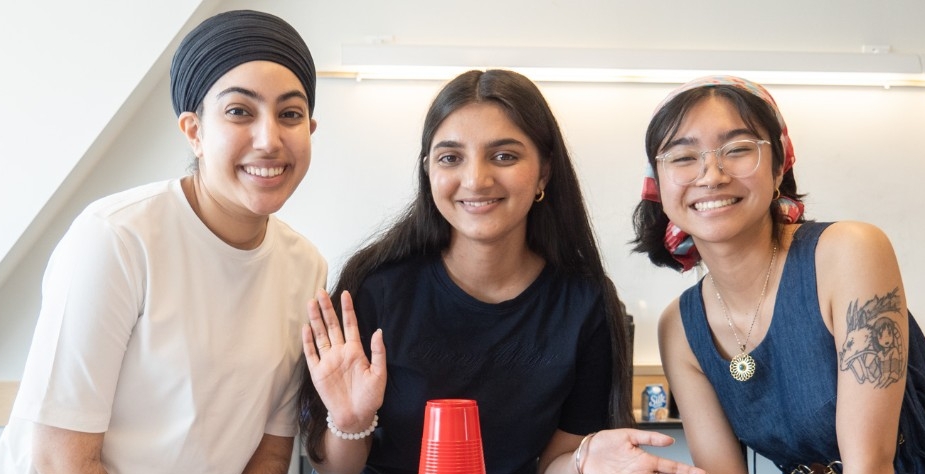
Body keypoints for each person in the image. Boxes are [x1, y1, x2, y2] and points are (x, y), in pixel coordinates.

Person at [633, 75, 925, 474]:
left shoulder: (848, 251)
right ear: (659, 184)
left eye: (738, 149)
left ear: (779, 167)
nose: (711, 174)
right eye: (683, 157)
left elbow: (870, 465)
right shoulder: (681, 327)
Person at [297, 69, 703, 474]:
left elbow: (556, 463)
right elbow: (335, 470)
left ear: (544, 170)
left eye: (504, 156)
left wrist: (582, 463)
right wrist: (350, 422)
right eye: (450, 158)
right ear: (428, 170)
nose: (476, 179)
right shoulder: (375, 288)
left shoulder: (583, 302)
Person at [0, 10, 325, 474]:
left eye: (290, 114)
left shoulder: (305, 266)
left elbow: (269, 450)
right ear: (194, 132)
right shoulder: (117, 239)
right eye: (239, 112)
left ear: (309, 131)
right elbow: (59, 460)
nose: (269, 139)